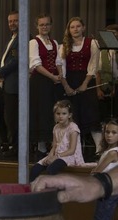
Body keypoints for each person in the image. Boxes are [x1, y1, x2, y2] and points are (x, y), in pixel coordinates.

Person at [60, 17, 101, 155]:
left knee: (91, 113)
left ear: (83, 28)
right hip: (70, 80)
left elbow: (93, 65)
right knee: (73, 115)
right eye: (72, 27)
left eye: (78, 26)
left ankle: (99, 149)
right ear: (69, 30)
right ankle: (74, 150)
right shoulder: (64, 46)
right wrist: (66, 86)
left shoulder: (92, 43)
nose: (75, 29)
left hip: (87, 80)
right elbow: (62, 68)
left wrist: (85, 83)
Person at [29, 14, 63, 158]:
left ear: (51, 25)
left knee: (53, 112)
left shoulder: (54, 42)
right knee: (41, 112)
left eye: (47, 24)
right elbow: (36, 65)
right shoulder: (33, 42)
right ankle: (41, 148)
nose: (44, 27)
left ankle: (53, 146)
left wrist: (59, 76)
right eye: (41, 25)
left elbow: (58, 61)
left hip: (53, 82)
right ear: (37, 26)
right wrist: (53, 76)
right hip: (40, 83)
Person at [29, 100, 85, 182]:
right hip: (57, 155)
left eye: (64, 114)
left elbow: (72, 150)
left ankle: (49, 191)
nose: (60, 116)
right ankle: (32, 191)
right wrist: (50, 156)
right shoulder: (56, 127)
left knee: (51, 169)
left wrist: (56, 157)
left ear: (69, 115)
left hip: (69, 156)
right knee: (35, 168)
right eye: (58, 114)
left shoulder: (73, 128)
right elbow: (54, 145)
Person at [0, 10, 20, 156]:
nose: (12, 23)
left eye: (15, 20)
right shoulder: (12, 39)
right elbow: (6, 60)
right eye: (10, 21)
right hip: (9, 84)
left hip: (16, 85)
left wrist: (0, 72)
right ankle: (14, 146)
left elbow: (16, 61)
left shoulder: (23, 38)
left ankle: (17, 148)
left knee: (14, 118)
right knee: (9, 118)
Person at [91, 120, 118, 220]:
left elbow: (97, 171)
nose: (109, 135)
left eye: (114, 132)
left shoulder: (112, 153)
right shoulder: (109, 151)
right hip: (108, 189)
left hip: (108, 190)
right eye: (107, 132)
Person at [97, 24, 118, 123]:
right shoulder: (102, 51)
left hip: (116, 87)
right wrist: (98, 89)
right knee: (103, 116)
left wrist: (115, 87)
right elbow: (98, 72)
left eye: (113, 33)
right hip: (104, 87)